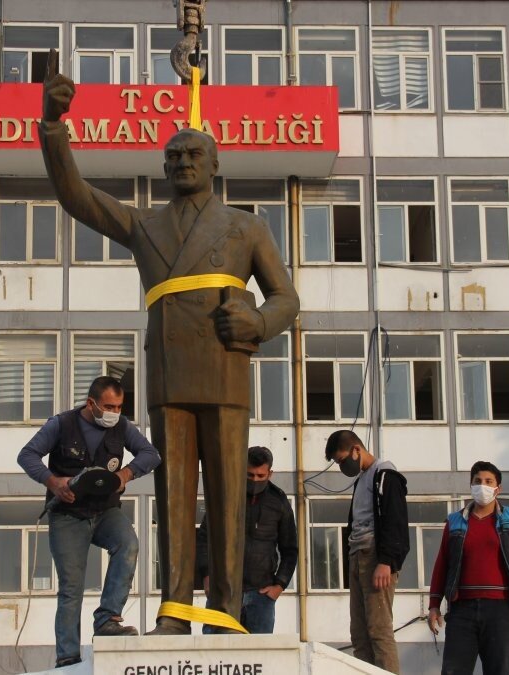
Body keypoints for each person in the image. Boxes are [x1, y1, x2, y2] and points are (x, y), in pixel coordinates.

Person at [39, 56, 300, 635]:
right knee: (173, 499)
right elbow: (76, 195)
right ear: (163, 167)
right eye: (174, 156)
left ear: (215, 164)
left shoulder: (246, 226)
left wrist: (257, 322)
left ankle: (225, 612)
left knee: (228, 496)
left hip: (225, 368)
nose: (183, 162)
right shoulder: (145, 225)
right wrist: (53, 126)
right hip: (168, 374)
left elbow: (287, 298)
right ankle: (176, 611)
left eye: (193, 155)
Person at [17, 376, 161, 669]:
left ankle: (107, 620)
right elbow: (27, 455)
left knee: (128, 544)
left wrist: (126, 474)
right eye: (109, 407)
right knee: (71, 588)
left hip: (106, 511)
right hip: (67, 515)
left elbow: (151, 454)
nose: (114, 413)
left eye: (119, 407)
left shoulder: (122, 427)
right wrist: (53, 482)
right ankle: (68, 657)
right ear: (91, 403)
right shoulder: (61, 424)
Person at [427, 461, 509, 675]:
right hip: (461, 611)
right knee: (452, 671)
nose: (482, 486)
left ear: (497, 488)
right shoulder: (455, 522)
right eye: (477, 481)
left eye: (488, 481)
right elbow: (442, 565)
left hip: (502, 611)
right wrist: (433, 605)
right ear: (471, 485)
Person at [324, 430, 408, 674]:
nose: (342, 466)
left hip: (375, 557)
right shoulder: (362, 480)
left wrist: (386, 561)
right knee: (359, 634)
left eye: (342, 460)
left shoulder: (385, 475)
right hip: (357, 554)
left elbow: (395, 521)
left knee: (379, 629)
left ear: (356, 450)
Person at [196, 446, 298, 633]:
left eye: (261, 476)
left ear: (270, 474)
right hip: (222, 593)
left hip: (261, 596)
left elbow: (290, 549)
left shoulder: (279, 502)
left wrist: (279, 586)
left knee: (258, 651)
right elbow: (204, 538)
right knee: (214, 649)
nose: (255, 480)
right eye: (250, 475)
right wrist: (207, 576)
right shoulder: (225, 496)